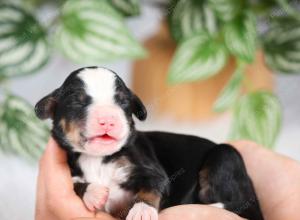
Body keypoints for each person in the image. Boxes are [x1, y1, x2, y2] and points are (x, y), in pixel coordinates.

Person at [35, 138, 300, 220]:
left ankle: (227, 206)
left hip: (212, 169)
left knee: (225, 156)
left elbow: (155, 180)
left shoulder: (134, 154)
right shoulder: (81, 167)